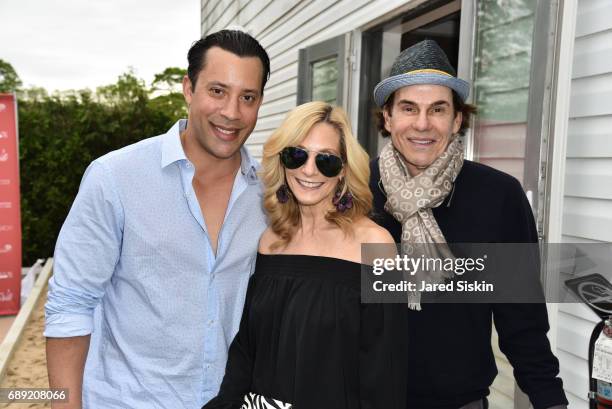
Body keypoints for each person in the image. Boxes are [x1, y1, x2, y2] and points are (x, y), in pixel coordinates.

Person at [44, 30, 270, 409]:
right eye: (217, 91)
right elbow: (70, 305)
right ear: (188, 88)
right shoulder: (115, 177)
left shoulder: (270, 193)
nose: (232, 112)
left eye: (247, 97)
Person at [369, 39, 568, 409]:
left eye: (438, 109)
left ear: (457, 119)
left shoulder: (498, 197)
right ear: (388, 117)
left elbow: (522, 321)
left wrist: (551, 401)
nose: (423, 124)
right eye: (409, 108)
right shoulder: (356, 193)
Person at [204, 101, 404, 409]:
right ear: (282, 162)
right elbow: (247, 350)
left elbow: (384, 371)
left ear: (344, 171)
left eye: (326, 161)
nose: (309, 170)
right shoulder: (270, 241)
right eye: (296, 155)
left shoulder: (377, 246)